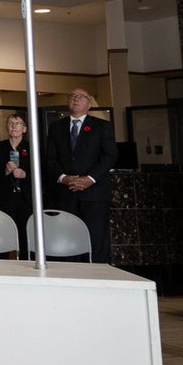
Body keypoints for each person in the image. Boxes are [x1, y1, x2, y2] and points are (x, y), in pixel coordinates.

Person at [45, 88, 117, 263]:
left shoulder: (102, 126)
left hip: (94, 194)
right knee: (67, 238)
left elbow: (110, 156)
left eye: (81, 96)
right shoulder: (56, 127)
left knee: (95, 239)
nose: (75, 99)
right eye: (72, 96)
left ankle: (98, 278)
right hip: (65, 193)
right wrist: (63, 177)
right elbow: (50, 158)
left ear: (89, 104)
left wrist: (89, 179)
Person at [0, 112, 33, 259]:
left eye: (18, 123)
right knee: (1, 236)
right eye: (10, 123)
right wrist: (5, 172)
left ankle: (27, 269)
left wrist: (25, 175)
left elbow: (43, 174)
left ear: (24, 129)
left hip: (26, 200)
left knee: (26, 237)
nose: (14, 127)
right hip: (4, 199)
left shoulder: (31, 148)